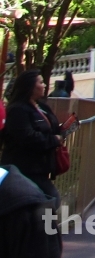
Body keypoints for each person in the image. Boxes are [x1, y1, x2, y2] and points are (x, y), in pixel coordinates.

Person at [0, 70, 66, 201]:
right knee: (51, 199)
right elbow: (27, 137)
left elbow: (49, 127)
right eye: (41, 82)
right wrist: (53, 140)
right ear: (30, 86)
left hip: (41, 167)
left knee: (47, 201)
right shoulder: (18, 110)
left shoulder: (42, 106)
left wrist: (63, 130)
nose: (45, 85)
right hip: (24, 167)